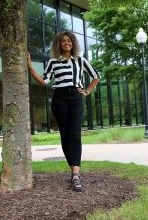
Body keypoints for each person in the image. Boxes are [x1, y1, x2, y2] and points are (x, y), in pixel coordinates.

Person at [27, 31, 100, 192]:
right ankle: (73, 169)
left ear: (73, 43)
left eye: (69, 41)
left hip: (76, 97)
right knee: (65, 136)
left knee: (75, 134)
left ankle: (76, 175)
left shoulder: (80, 60)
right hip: (59, 98)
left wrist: (87, 91)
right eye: (63, 41)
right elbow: (44, 81)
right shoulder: (53, 62)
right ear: (58, 45)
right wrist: (31, 68)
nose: (66, 43)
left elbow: (96, 76)